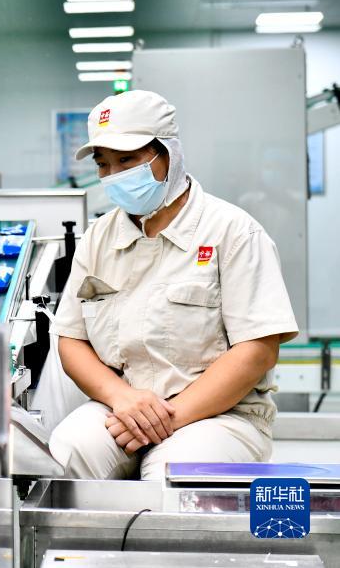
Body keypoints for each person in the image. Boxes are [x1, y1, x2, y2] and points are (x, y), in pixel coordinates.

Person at [48, 90, 298, 480]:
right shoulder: (99, 236)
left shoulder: (233, 232)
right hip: (121, 406)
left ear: (169, 154)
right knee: (66, 453)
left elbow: (257, 350)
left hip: (221, 415)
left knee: (175, 476)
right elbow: (71, 340)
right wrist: (121, 397)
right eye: (103, 164)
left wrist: (166, 418)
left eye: (127, 160)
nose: (114, 175)